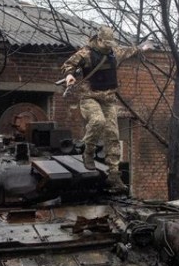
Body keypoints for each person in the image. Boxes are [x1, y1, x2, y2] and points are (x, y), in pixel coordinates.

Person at [60, 26, 152, 193]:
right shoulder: (86, 53)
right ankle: (88, 152)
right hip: (89, 97)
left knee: (113, 135)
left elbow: (130, 51)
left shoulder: (114, 52)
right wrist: (69, 75)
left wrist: (142, 48)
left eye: (111, 43)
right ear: (99, 40)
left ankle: (114, 175)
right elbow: (69, 64)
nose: (109, 46)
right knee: (98, 121)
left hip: (108, 100)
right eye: (106, 43)